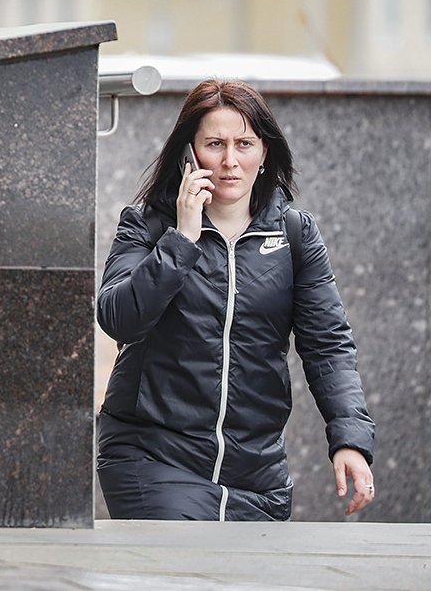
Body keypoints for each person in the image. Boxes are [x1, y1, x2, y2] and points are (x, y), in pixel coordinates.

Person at [95, 78, 375, 521]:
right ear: (189, 153)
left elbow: (328, 344)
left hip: (257, 474)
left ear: (264, 152)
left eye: (244, 143)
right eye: (214, 144)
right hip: (154, 459)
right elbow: (120, 319)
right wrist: (182, 238)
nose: (230, 161)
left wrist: (351, 439)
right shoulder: (147, 227)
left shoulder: (294, 234)